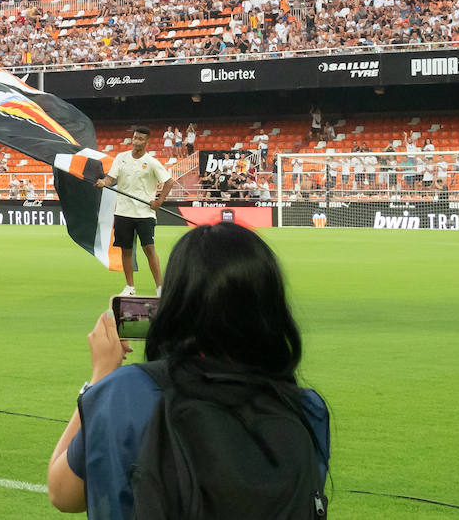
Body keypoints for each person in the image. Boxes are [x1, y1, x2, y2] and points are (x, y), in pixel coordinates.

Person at [47, 222, 330, 519]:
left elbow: (63, 493)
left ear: (175, 301)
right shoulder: (307, 408)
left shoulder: (126, 392)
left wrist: (100, 378)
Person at [101, 126, 173, 296]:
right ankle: (130, 287)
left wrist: (159, 201)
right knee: (126, 250)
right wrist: (104, 182)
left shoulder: (152, 162)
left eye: (140, 139)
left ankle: (160, 288)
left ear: (147, 142)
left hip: (144, 213)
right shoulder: (121, 157)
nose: (136, 141)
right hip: (123, 212)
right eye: (134, 138)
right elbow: (111, 178)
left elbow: (169, 182)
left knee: (149, 249)